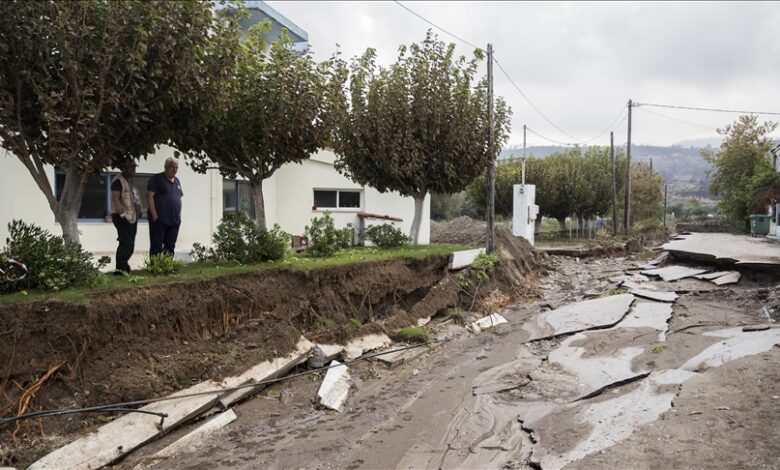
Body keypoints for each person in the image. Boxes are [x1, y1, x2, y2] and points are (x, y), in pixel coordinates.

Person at [110, 162, 143, 273]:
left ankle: (124, 267)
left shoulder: (130, 181)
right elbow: (115, 198)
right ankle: (120, 269)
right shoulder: (119, 181)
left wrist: (140, 211)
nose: (134, 170)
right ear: (125, 168)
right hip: (122, 218)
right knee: (126, 243)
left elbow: (134, 198)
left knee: (130, 244)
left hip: (132, 218)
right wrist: (121, 214)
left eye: (134, 167)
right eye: (131, 167)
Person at [147, 157, 183, 257]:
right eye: (173, 167)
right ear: (166, 167)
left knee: (170, 245)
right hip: (160, 219)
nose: (175, 170)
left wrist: (179, 216)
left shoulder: (177, 181)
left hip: (174, 220)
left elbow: (179, 198)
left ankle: (167, 267)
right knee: (156, 245)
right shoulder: (157, 179)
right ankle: (155, 268)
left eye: (177, 168)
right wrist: (154, 215)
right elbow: (149, 196)